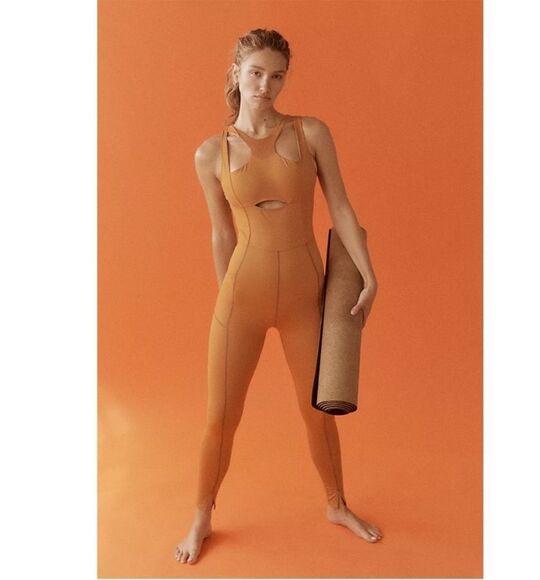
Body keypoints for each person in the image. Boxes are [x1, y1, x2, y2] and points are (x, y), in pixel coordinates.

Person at [176, 28, 381, 565]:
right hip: (241, 295)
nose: (265, 85)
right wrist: (227, 302)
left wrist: (368, 273)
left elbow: (341, 207)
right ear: (236, 73)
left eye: (277, 76)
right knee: (221, 417)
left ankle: (336, 505)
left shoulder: (311, 133)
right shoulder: (210, 153)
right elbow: (221, 234)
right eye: (256, 73)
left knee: (318, 411)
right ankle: (201, 517)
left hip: (304, 299)